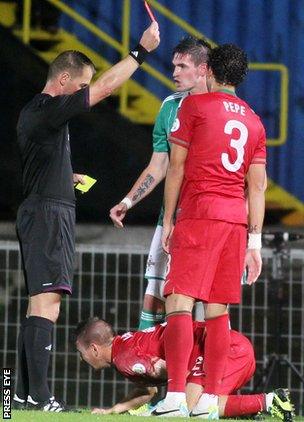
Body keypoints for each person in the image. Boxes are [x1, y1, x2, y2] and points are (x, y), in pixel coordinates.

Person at [13, 22, 160, 412]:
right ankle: (41, 397)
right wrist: (139, 53)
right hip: (47, 214)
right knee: (49, 305)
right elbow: (106, 87)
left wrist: (68, 176)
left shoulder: (38, 115)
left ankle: (21, 395)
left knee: (37, 306)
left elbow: (40, 162)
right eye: (80, 87)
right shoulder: (46, 110)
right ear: (63, 80)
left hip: (41, 209)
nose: (83, 95)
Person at [154, 43, 267, 416]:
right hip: (235, 222)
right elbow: (258, 187)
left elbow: (176, 168)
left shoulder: (194, 106)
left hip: (201, 213)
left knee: (179, 301)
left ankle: (172, 398)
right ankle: (208, 403)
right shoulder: (254, 120)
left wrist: (169, 220)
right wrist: (255, 242)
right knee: (218, 311)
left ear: (210, 72)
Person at [110, 36, 211, 329]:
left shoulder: (224, 108)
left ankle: (198, 371)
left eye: (182, 66)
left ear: (203, 69)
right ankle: (149, 367)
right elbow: (158, 164)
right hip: (170, 219)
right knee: (154, 295)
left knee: (205, 302)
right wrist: (127, 201)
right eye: (174, 66)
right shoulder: (169, 107)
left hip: (206, 219)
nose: (174, 73)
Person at [75, 317, 294, 420]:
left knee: (192, 408)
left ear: (94, 349)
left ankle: (270, 401)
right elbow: (147, 390)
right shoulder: (125, 347)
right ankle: (246, 412)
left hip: (228, 351)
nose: (82, 359)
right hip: (233, 348)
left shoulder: (125, 358)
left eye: (82, 353)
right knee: (193, 406)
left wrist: (157, 411)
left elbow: (178, 374)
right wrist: (115, 410)